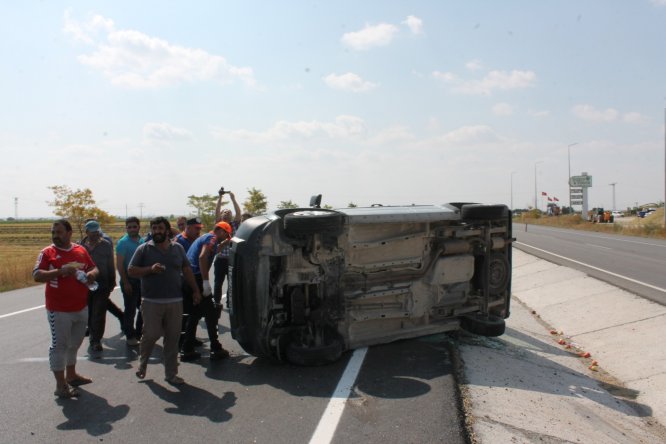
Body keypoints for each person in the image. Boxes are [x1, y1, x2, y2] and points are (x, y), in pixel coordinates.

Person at [128, 216, 201, 385]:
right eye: (154, 228)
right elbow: (131, 270)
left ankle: (171, 374)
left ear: (167, 231)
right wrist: (150, 269)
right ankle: (143, 363)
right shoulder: (143, 249)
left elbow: (187, 269)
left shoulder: (178, 249)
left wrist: (196, 290)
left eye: (160, 228)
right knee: (151, 334)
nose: (157, 232)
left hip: (175, 300)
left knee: (172, 338)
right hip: (151, 301)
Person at [33, 219, 99, 398]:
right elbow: (37, 275)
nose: (55, 236)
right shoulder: (47, 252)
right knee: (59, 345)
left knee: (75, 343)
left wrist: (92, 274)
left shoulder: (80, 250)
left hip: (81, 306)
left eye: (59, 232)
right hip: (58, 309)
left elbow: (93, 267)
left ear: (69, 233)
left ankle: (71, 375)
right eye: (53, 232)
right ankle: (60, 385)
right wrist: (60, 272)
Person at [180, 221, 232, 361]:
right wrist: (205, 282)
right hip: (196, 278)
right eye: (226, 234)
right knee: (210, 314)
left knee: (194, 314)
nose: (225, 237)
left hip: (187, 278)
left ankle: (187, 349)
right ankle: (215, 348)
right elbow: (203, 257)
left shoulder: (208, 238)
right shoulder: (212, 238)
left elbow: (216, 249)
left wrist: (228, 241)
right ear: (221, 231)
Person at [81, 220, 116, 352]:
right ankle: (91, 333)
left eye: (97, 231)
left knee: (99, 312)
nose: (95, 234)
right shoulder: (80, 246)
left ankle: (96, 340)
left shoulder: (106, 245)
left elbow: (110, 264)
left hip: (102, 284)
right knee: (89, 312)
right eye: (92, 231)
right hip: (85, 284)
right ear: (87, 232)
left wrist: (112, 280)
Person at [116, 216, 144, 346]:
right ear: (126, 228)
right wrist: (125, 282)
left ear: (139, 227)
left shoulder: (142, 241)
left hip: (142, 280)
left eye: (134, 226)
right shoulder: (123, 243)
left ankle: (139, 332)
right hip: (130, 281)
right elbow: (120, 265)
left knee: (144, 308)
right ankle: (130, 335)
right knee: (130, 309)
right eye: (129, 227)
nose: (132, 229)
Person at [214, 190, 241, 310]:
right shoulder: (219, 225)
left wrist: (233, 199)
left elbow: (239, 212)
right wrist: (220, 198)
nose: (227, 213)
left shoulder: (235, 225)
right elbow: (216, 211)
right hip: (220, 259)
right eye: (224, 211)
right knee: (218, 283)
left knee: (232, 283)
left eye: (229, 212)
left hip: (231, 259)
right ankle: (216, 302)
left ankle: (230, 303)